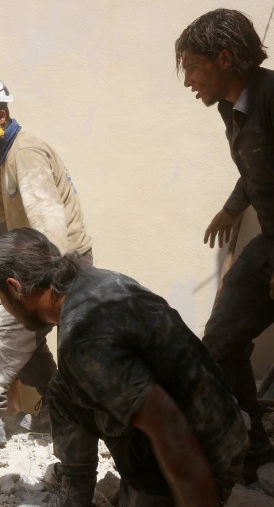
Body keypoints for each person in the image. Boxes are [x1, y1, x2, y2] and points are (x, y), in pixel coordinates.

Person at [0, 228, 247, 506]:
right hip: (215, 424)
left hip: (206, 457)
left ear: (15, 287)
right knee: (63, 389)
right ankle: (80, 494)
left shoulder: (83, 338)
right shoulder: (92, 281)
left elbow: (169, 424)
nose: (1, 304)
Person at [0, 69, 94, 447]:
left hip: (58, 267)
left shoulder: (24, 154)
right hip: (47, 265)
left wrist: (42, 287)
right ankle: (54, 412)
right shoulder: (9, 155)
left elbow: (49, 225)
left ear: (0, 117)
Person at [176, 8, 274, 480]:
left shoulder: (273, 99)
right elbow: (256, 169)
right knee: (219, 342)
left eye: (193, 67)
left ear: (225, 58)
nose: (189, 79)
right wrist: (235, 206)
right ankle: (253, 444)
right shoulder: (230, 108)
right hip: (269, 245)